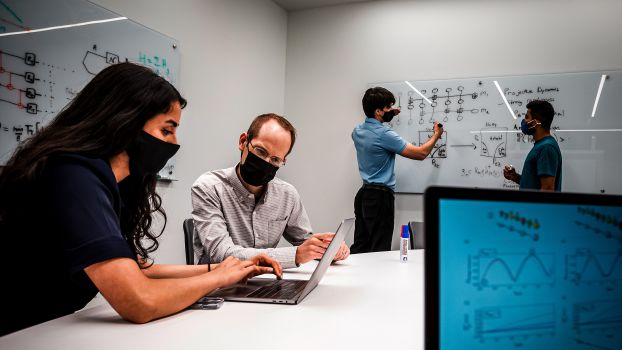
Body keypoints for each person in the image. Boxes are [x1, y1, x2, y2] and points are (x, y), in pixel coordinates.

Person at [0, 63, 282, 336]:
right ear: (124, 122)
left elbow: (136, 268)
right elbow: (139, 300)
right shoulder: (72, 175)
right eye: (166, 130)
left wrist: (218, 268)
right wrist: (219, 278)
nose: (174, 144)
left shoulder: (111, 183)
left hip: (49, 329)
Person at [191, 113, 350, 269]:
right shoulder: (209, 187)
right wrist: (295, 255)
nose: (265, 162)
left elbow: (303, 242)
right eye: (260, 151)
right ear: (243, 142)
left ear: (283, 161)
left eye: (275, 160)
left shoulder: (287, 194)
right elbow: (221, 253)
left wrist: (327, 248)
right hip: (218, 289)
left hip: (268, 283)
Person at [351, 87, 443, 254]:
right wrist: (436, 135)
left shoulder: (357, 131)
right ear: (378, 111)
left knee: (361, 246)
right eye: (387, 107)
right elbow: (421, 153)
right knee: (379, 248)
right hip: (380, 197)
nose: (390, 110)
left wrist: (389, 113)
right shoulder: (385, 134)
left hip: (363, 195)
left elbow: (374, 128)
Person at [503, 100, 562, 191]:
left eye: (527, 117)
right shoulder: (541, 145)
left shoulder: (546, 148)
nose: (524, 121)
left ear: (535, 123)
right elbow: (534, 184)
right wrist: (515, 177)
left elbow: (547, 189)